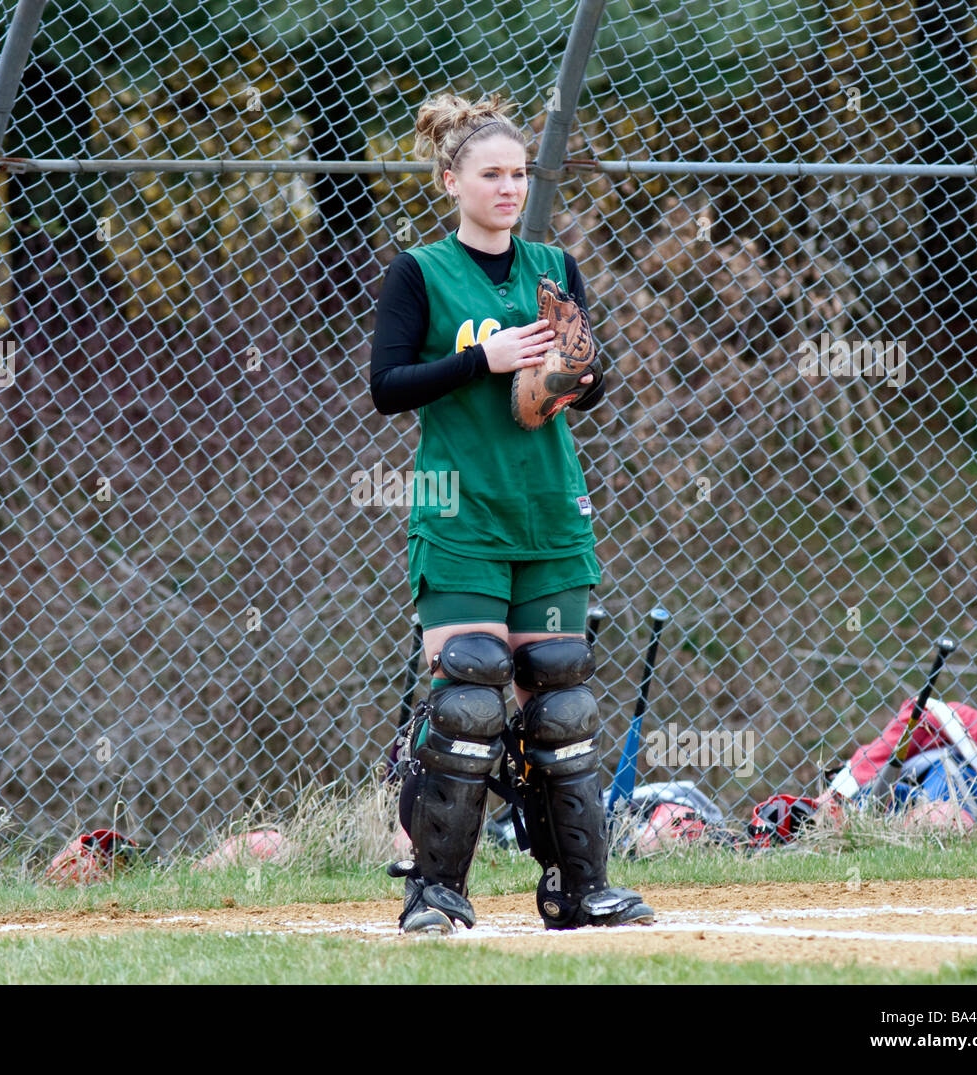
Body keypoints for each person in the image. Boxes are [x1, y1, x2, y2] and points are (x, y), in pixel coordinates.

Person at [369, 91, 656, 934]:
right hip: (461, 513)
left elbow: (592, 392)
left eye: (518, 174)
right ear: (451, 179)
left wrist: (575, 376)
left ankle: (578, 886)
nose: (507, 187)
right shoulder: (418, 272)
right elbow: (387, 388)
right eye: (490, 174)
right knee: (468, 698)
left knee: (560, 696)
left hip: (549, 511)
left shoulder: (554, 267)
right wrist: (482, 358)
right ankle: (435, 891)